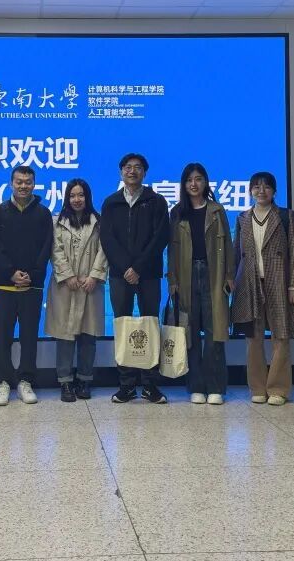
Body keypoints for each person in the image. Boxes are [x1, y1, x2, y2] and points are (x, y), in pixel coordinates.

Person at [100, 153, 171, 404]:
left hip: (149, 274)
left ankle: (151, 384)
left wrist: (138, 267)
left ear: (145, 172)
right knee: (123, 326)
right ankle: (126, 385)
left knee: (150, 325)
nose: (132, 171)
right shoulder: (111, 203)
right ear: (121, 172)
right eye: (128, 167)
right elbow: (107, 238)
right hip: (120, 276)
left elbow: (161, 237)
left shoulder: (156, 201)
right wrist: (125, 267)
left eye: (138, 167)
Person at [232, 172, 294, 406]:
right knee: (253, 337)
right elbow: (236, 254)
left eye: (266, 187)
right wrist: (233, 282)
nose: (261, 191)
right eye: (256, 187)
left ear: (274, 191)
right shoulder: (243, 218)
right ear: (250, 191)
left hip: (279, 282)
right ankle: (257, 388)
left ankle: (278, 389)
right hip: (250, 283)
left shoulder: (285, 216)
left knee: (280, 336)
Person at [167, 163, 234, 405]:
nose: (193, 184)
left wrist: (229, 275)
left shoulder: (217, 210)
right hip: (186, 275)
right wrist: (172, 279)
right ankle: (196, 386)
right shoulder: (177, 212)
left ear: (205, 182)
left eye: (198, 179)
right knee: (191, 332)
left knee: (215, 332)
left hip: (213, 274)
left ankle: (215, 387)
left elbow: (228, 245)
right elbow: (172, 250)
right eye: (189, 180)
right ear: (183, 185)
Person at [0, 165, 53, 406]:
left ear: (34, 184)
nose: (23, 186)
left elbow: (46, 248)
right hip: (4, 286)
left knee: (29, 336)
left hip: (32, 287)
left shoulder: (43, 214)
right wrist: (10, 273)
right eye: (19, 181)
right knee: (2, 337)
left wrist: (32, 275)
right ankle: (3, 382)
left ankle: (26, 381)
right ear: (11, 184)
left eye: (28, 182)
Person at [45, 179, 108, 402]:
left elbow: (104, 250)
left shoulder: (99, 221)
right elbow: (55, 250)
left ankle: (84, 380)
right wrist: (68, 275)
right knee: (65, 336)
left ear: (87, 197)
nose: (77, 199)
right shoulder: (57, 221)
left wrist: (94, 276)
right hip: (65, 286)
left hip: (91, 286)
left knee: (88, 336)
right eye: (72, 195)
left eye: (81, 195)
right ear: (67, 198)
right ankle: (65, 381)